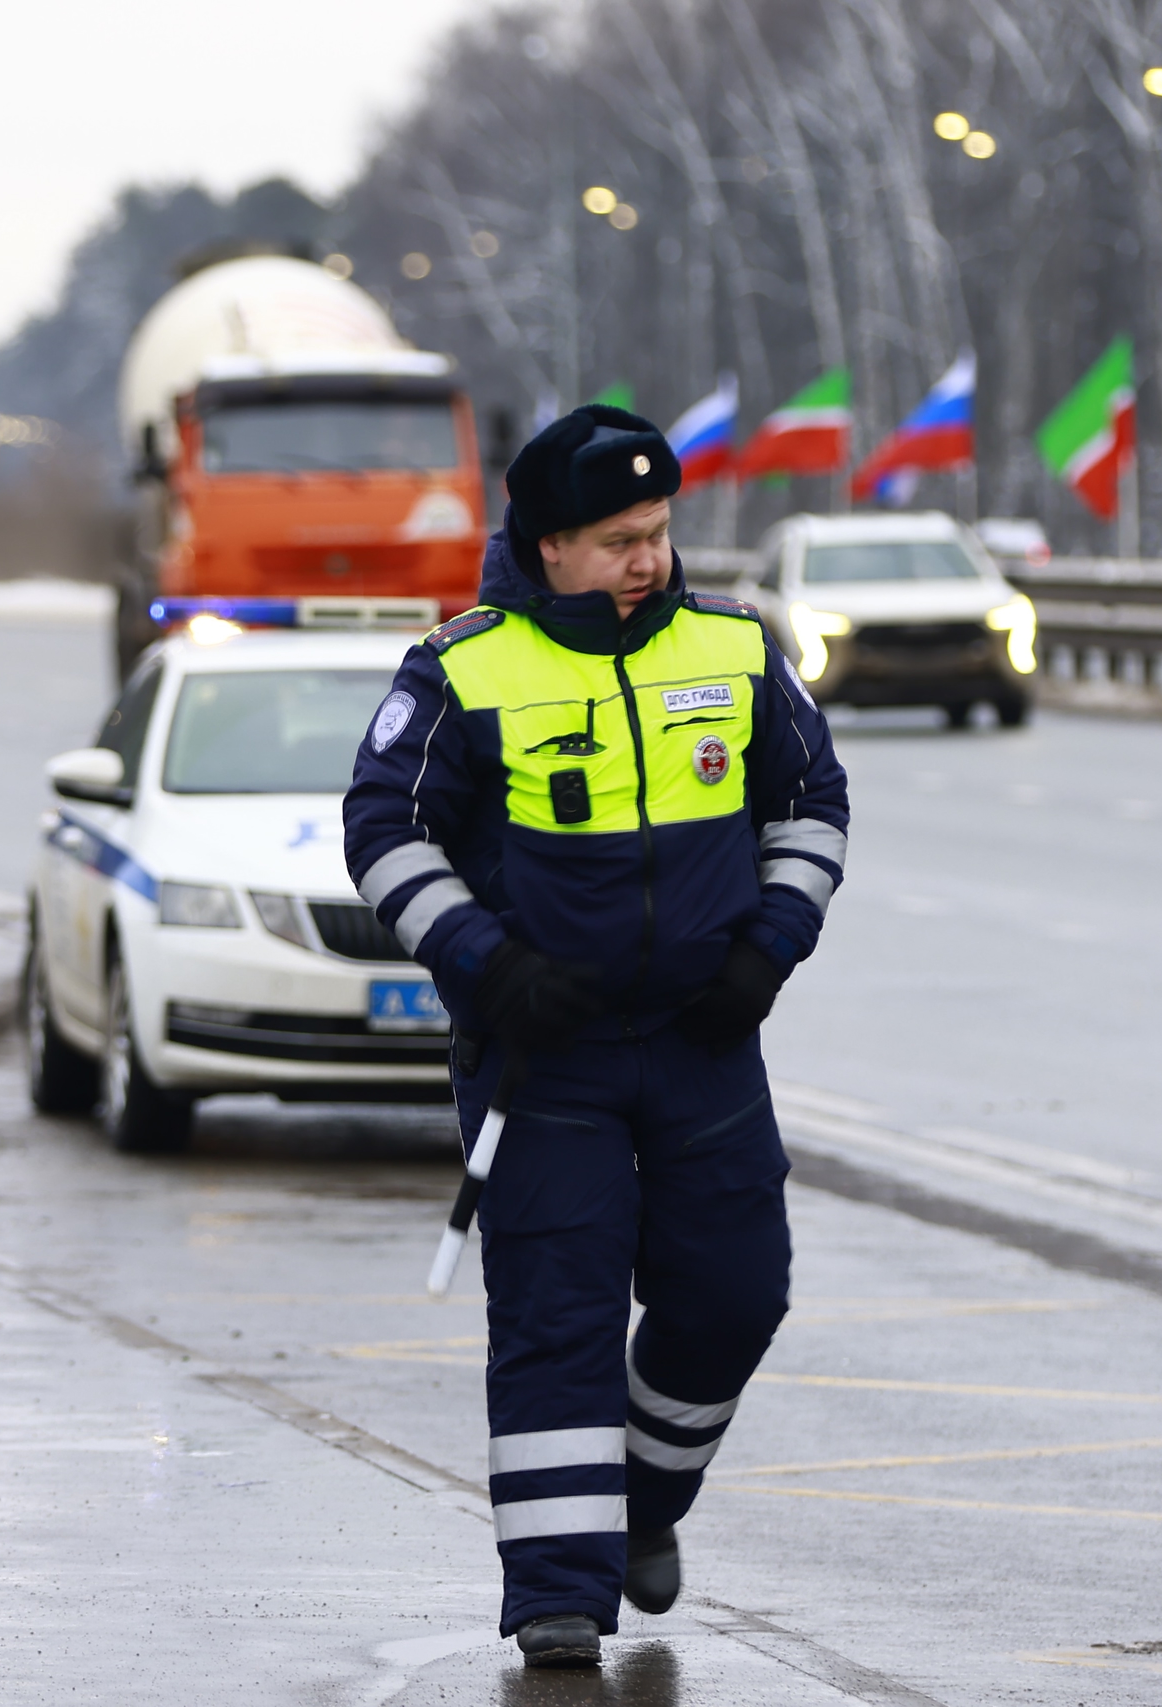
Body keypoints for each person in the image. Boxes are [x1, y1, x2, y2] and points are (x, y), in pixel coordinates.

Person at [343, 404, 850, 1669]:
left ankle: (645, 1509)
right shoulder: (461, 669)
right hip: (542, 1062)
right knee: (556, 1323)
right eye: (621, 539)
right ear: (550, 545)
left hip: (702, 1045)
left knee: (735, 1297)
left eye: (660, 533)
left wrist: (766, 949)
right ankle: (559, 1600)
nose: (650, 560)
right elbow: (381, 830)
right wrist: (484, 960)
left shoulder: (733, 648)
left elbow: (812, 800)